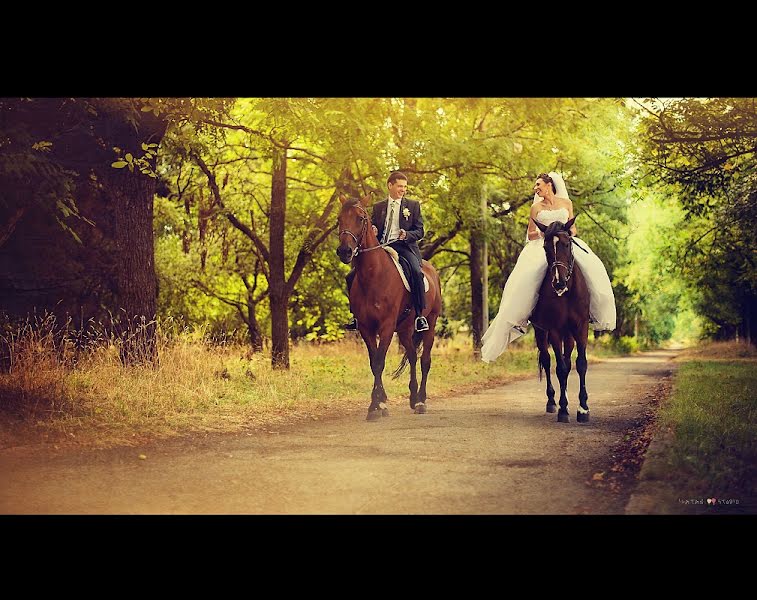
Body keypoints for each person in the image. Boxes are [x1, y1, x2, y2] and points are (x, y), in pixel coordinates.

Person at [480, 171, 616, 363]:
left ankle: (591, 310)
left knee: (592, 267)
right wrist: (546, 234)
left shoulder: (566, 204)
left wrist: (561, 234)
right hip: (542, 246)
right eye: (536, 186)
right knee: (528, 277)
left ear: (549, 185)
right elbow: (530, 234)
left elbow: (574, 230)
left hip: (563, 243)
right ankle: (528, 314)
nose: (536, 189)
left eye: (538, 185)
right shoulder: (536, 208)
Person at [344, 171, 429, 332]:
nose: (403, 190)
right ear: (390, 186)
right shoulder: (378, 207)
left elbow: (420, 231)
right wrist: (374, 229)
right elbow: (372, 226)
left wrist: (407, 235)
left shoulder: (413, 206)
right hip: (380, 247)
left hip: (404, 247)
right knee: (350, 276)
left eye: (405, 187)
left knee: (417, 273)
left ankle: (419, 316)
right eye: (400, 186)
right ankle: (355, 315)